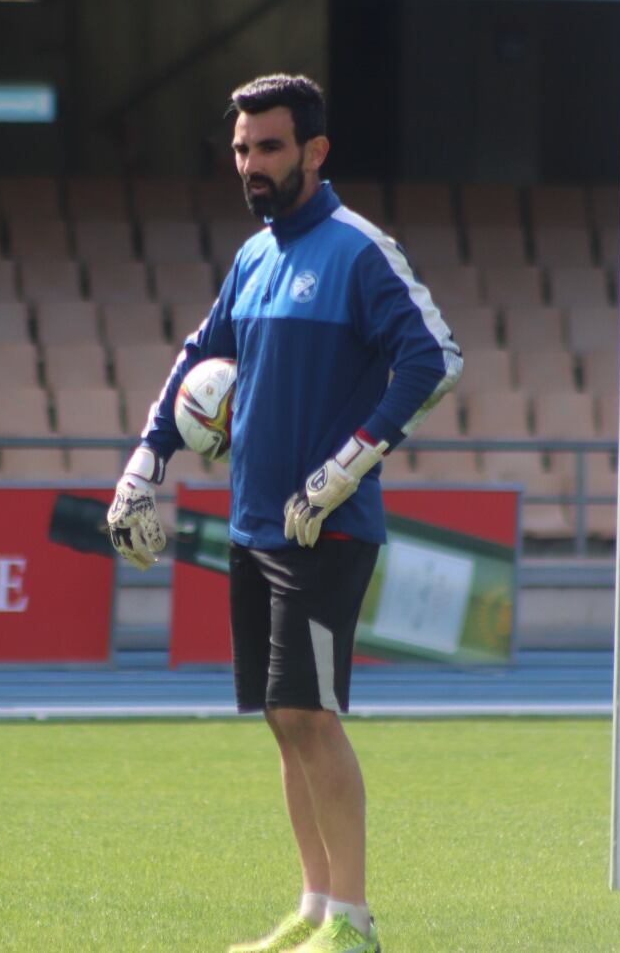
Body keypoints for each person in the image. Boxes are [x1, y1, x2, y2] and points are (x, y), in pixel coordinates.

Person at [106, 74, 462, 953]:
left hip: (325, 530)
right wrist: (144, 463)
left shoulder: (356, 251)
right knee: (281, 717)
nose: (251, 165)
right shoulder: (255, 257)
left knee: (311, 713)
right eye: (240, 149)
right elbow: (200, 357)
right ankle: (310, 908)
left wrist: (346, 468)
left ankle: (355, 920)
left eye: (268, 147)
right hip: (254, 527)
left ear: (314, 151)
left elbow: (436, 359)